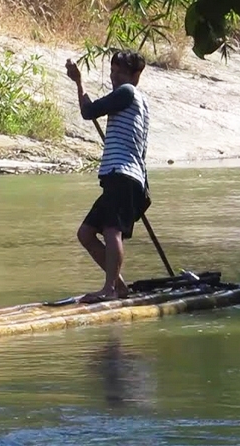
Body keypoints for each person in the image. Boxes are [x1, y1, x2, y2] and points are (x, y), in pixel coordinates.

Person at [65, 50, 151, 302]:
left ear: (136, 75)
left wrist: (79, 81)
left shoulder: (127, 93)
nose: (114, 78)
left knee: (112, 230)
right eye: (112, 72)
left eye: (120, 73)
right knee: (86, 233)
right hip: (120, 176)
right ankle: (118, 286)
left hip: (123, 174)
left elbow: (89, 111)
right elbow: (89, 111)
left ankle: (109, 290)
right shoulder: (134, 98)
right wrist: (79, 83)